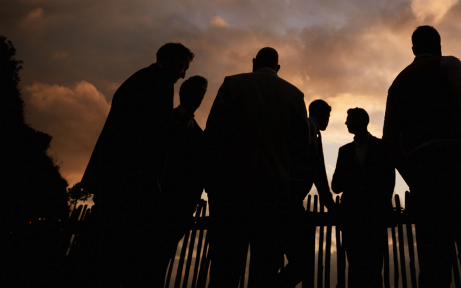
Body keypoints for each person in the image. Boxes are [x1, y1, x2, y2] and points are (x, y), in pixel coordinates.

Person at [383, 26, 461, 288]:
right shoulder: (448, 64)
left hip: (425, 173)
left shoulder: (398, 83)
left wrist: (413, 176)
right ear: (438, 44)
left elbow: (389, 140)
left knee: (434, 263)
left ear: (413, 49)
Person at [77, 42, 194, 288]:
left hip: (113, 175)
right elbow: (147, 137)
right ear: (174, 58)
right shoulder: (159, 83)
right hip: (130, 180)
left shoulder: (138, 79)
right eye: (184, 66)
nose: (183, 73)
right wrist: (152, 178)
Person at [206, 47, 309, 288]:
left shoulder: (232, 84)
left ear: (254, 62)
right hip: (274, 197)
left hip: (232, 193)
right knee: (264, 269)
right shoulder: (294, 95)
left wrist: (213, 184)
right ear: (278, 67)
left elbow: (213, 136)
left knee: (225, 269)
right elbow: (301, 149)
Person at [147, 75, 209, 283]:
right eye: (196, 90)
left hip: (177, 214)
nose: (199, 95)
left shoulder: (201, 135)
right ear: (183, 93)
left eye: (203, 92)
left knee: (158, 269)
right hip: (150, 207)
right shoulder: (162, 120)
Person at [332, 108, 395, 288]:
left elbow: (389, 179)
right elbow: (335, 186)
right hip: (352, 217)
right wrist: (352, 174)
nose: (346, 123)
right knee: (355, 267)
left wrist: (380, 205)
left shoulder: (382, 147)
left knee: (375, 267)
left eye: (350, 119)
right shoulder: (344, 151)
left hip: (375, 216)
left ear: (363, 121)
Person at [278, 99, 334, 287]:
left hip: (288, 201)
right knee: (302, 263)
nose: (328, 119)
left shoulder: (311, 130)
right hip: (287, 203)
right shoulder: (309, 129)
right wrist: (330, 205)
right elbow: (317, 172)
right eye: (328, 115)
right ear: (323, 114)